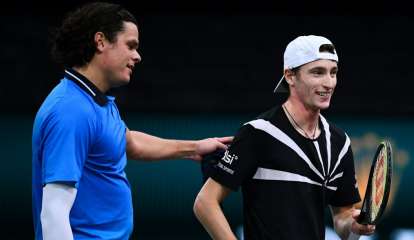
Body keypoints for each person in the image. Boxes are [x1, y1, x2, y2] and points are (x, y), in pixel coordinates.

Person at [31, 2, 232, 240]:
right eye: (131, 46)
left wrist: (194, 147)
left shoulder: (95, 99)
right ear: (101, 41)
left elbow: (129, 143)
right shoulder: (71, 111)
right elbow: (53, 212)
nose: (137, 56)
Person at [193, 35, 376, 240]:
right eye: (317, 73)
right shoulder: (259, 133)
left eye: (333, 73)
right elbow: (205, 202)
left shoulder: (340, 143)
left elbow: (341, 217)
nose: (329, 83)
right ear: (290, 76)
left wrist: (354, 226)